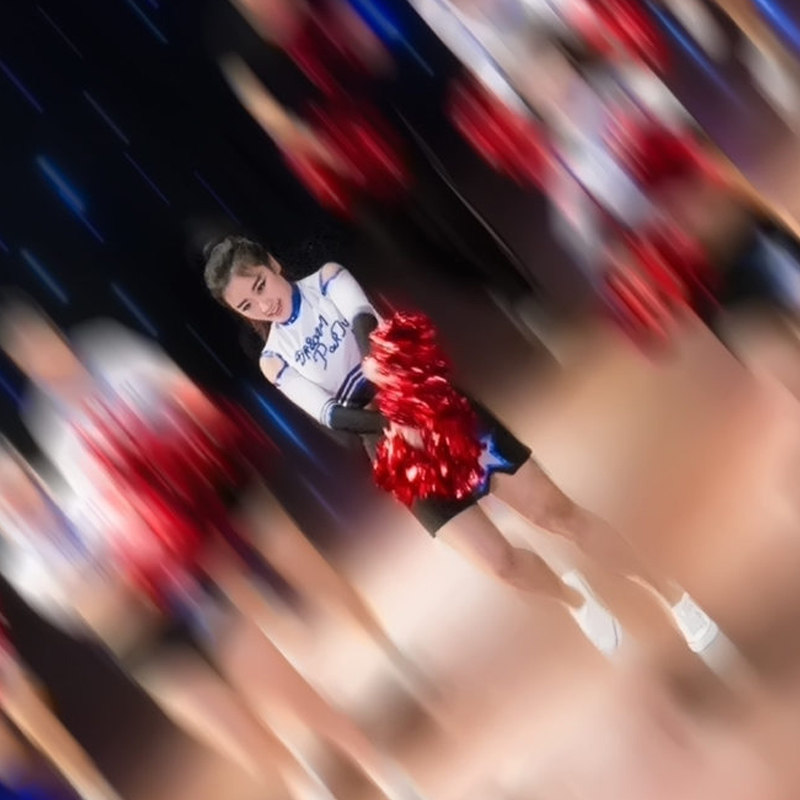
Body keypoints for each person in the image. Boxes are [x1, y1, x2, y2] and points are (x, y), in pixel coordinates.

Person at [203, 234, 721, 655]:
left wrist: (392, 392)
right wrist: (389, 425)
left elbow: (365, 324)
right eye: (248, 305)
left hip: (433, 407)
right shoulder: (274, 359)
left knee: (557, 513)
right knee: (500, 564)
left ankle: (673, 596)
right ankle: (574, 598)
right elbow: (331, 415)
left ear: (273, 263)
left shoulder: (328, 279)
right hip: (393, 450)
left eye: (261, 284)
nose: (265, 304)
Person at [0, 304, 425, 800]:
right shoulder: (43, 490)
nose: (17, 494)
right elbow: (93, 602)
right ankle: (312, 770)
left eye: (15, 479)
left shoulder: (106, 357)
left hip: (206, 487)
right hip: (161, 608)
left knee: (294, 564)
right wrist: (143, 551)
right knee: (241, 706)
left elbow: (176, 393)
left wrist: (183, 462)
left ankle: (384, 669)